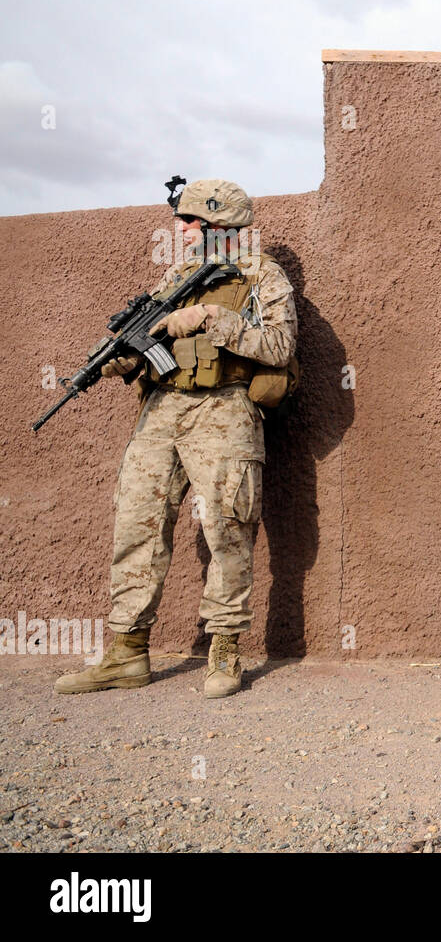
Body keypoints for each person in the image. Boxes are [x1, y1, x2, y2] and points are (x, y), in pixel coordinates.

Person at [55, 178, 297, 699]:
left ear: (218, 226)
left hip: (224, 409)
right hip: (161, 410)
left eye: (188, 221)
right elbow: (152, 344)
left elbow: (278, 346)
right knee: (137, 522)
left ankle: (226, 650)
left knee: (228, 529)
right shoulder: (175, 276)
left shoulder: (262, 275)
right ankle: (126, 652)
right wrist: (124, 357)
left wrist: (212, 317)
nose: (180, 230)